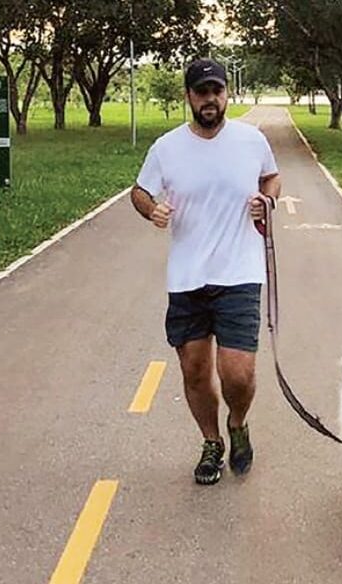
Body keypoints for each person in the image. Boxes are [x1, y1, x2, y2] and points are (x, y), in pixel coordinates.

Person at [130, 58, 281, 485]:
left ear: (226, 94)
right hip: (187, 278)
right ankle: (212, 442)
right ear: (189, 97)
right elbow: (139, 192)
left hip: (240, 273)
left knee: (238, 373)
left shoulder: (251, 141)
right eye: (201, 92)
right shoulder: (166, 148)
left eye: (216, 91)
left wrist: (266, 201)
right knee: (195, 371)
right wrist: (151, 210)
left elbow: (272, 178)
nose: (210, 99)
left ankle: (237, 421)